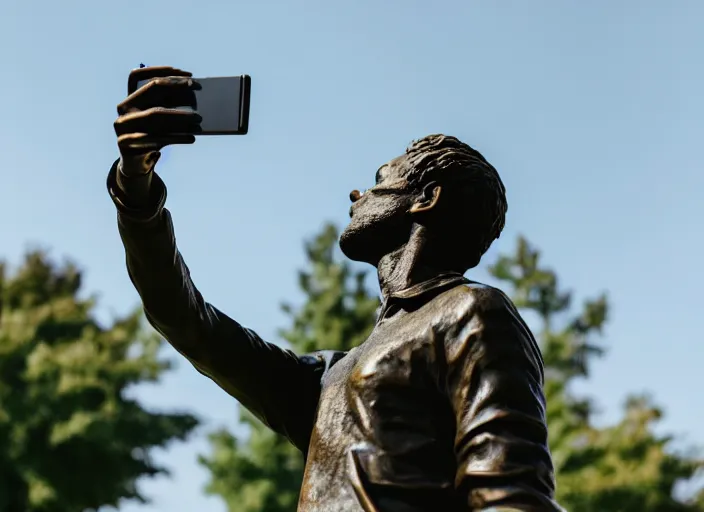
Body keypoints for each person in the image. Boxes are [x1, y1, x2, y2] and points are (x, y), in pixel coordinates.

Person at [108, 65, 563, 512]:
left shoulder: (472, 311)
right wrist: (136, 184)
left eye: (380, 181)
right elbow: (183, 319)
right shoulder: (327, 380)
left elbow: (510, 492)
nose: (357, 194)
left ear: (426, 198)